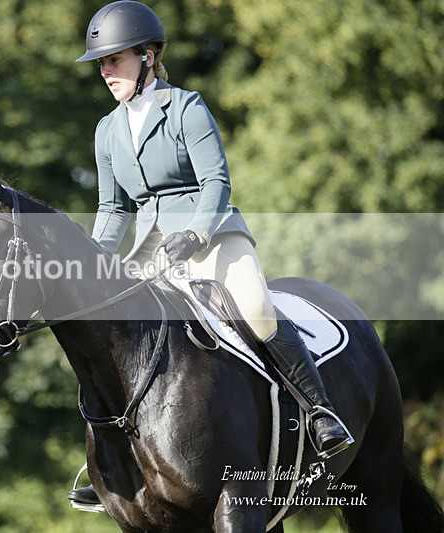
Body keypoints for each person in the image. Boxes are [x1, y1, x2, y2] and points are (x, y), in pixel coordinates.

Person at [68, 1, 354, 507]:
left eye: (115, 58)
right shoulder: (106, 130)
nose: (105, 70)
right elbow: (113, 208)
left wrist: (196, 236)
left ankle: (319, 411)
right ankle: (112, 456)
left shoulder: (185, 107)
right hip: (151, 247)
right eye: (101, 62)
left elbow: (215, 182)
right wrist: (93, 263)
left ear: (149, 55)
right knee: (109, 332)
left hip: (213, 234)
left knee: (257, 310)